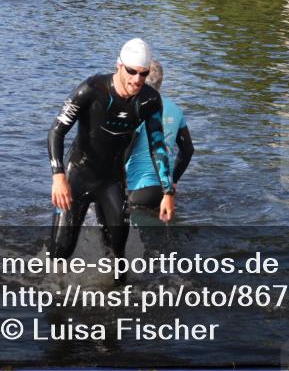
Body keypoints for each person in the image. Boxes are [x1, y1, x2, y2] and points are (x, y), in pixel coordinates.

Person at [48, 39, 172, 260]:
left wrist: (167, 191)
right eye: (132, 71)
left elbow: (157, 144)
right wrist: (58, 177)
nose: (137, 80)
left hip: (112, 180)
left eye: (143, 74)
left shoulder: (150, 100)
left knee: (117, 255)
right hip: (77, 175)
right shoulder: (92, 89)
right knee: (60, 252)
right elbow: (56, 131)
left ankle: (117, 294)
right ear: (119, 66)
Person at [125, 60, 194, 213]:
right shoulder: (175, 109)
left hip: (137, 190)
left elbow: (126, 148)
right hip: (164, 191)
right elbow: (188, 150)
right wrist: (173, 181)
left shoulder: (136, 107)